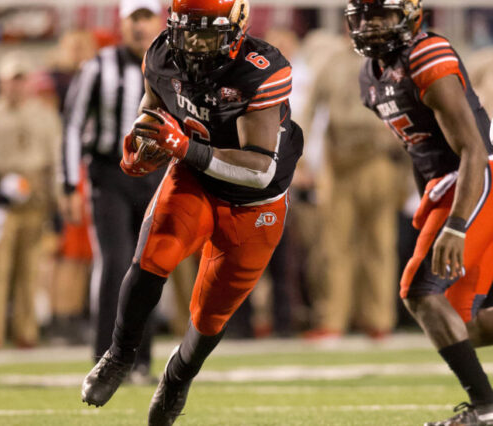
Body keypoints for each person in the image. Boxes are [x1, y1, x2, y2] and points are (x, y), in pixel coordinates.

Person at [80, 1, 303, 425]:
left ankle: (177, 378)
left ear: (236, 29)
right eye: (188, 31)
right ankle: (118, 355)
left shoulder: (260, 69)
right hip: (195, 180)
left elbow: (260, 170)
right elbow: (153, 107)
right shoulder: (163, 52)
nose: (194, 44)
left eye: (207, 33)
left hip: (254, 201)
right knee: (152, 256)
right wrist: (142, 144)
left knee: (209, 314)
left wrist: (184, 148)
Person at [346, 0, 493, 424]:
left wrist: (457, 225)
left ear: (408, 16)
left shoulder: (427, 55)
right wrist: (425, 200)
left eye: (382, 15)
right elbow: (417, 146)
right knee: (467, 325)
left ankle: (485, 410)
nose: (372, 26)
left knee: (419, 292)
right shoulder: (368, 78)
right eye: (364, 16)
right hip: (445, 186)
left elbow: (474, 150)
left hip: (477, 179)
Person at [61, 0, 164, 381]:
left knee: (151, 267)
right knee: (116, 262)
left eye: (146, 18)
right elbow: (72, 125)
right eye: (133, 20)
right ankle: (106, 358)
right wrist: (69, 183)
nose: (139, 27)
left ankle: (140, 360)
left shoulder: (172, 64)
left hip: (156, 177)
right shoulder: (98, 67)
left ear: (157, 21)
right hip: (109, 174)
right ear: (121, 24)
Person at [301, 36, 404, 340]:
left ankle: (378, 319)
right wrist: (302, 158)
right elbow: (309, 109)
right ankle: (332, 319)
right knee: (333, 244)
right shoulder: (330, 60)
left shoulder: (393, 59)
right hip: (339, 160)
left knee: (380, 243)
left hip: (379, 157)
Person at [0, 51, 62, 350]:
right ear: (2, 83)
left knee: (30, 271)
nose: (16, 87)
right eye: (11, 81)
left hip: (36, 197)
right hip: (1, 201)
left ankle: (26, 331)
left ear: (29, 83)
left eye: (21, 80)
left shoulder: (45, 116)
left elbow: (57, 161)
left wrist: (57, 200)